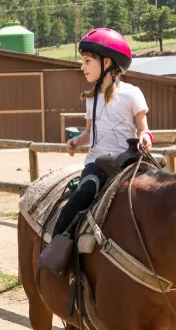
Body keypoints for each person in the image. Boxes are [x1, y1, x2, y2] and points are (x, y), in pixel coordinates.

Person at [47, 28, 153, 253]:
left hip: (127, 163)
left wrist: (145, 138)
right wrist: (77, 141)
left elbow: (144, 129)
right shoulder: (91, 99)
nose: (82, 67)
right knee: (83, 194)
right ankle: (56, 246)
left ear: (107, 63)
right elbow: (90, 134)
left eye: (87, 61)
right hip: (97, 165)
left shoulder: (132, 94)